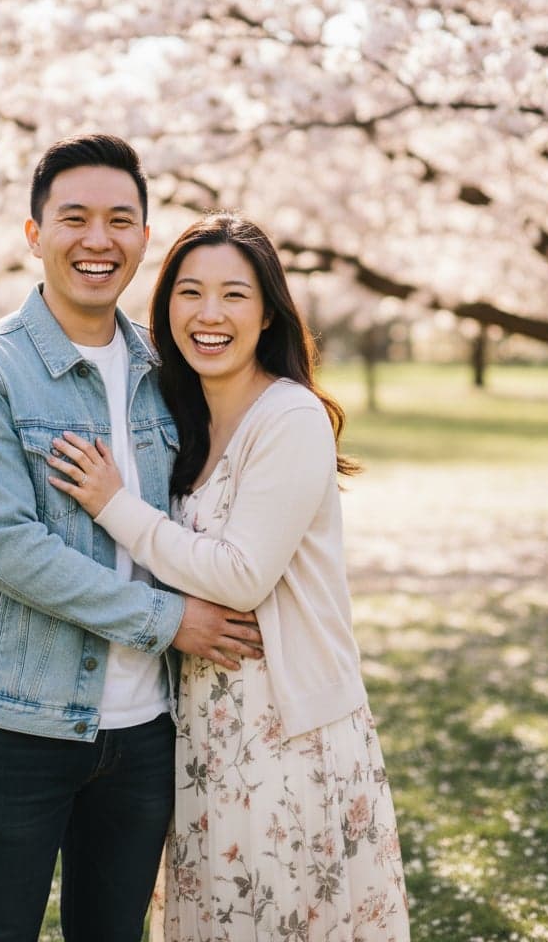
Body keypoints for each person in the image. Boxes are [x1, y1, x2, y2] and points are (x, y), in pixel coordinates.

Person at [0, 137, 264, 942]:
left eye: (120, 220)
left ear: (144, 238)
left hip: (147, 730)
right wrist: (169, 621)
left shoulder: (168, 371)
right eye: (73, 217)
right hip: (17, 724)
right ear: (34, 233)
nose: (97, 240)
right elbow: (10, 550)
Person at [48, 213, 411, 941]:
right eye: (190, 293)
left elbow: (242, 576)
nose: (208, 314)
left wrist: (113, 505)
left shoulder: (290, 417)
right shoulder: (181, 421)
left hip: (288, 731)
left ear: (269, 312)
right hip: (203, 732)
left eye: (233, 295)